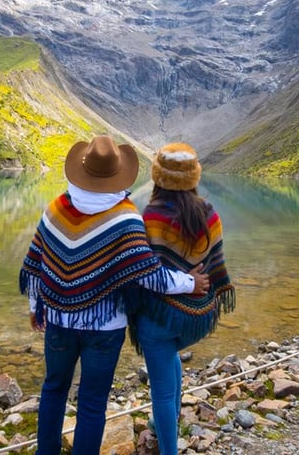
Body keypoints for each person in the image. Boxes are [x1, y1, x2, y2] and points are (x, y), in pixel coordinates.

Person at [19, 135, 209, 455]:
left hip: (58, 321)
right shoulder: (126, 218)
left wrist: (36, 306)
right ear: (116, 174)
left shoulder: (56, 209)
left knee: (53, 390)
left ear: (81, 170)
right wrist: (190, 283)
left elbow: (37, 265)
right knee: (92, 404)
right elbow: (150, 276)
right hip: (104, 328)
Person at [128, 142, 236, 455]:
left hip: (161, 318)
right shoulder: (210, 213)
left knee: (160, 391)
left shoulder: (150, 216)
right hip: (199, 315)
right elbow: (216, 265)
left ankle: (168, 448)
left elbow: (145, 274)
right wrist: (196, 287)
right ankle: (168, 424)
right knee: (171, 355)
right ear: (193, 178)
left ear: (159, 178)